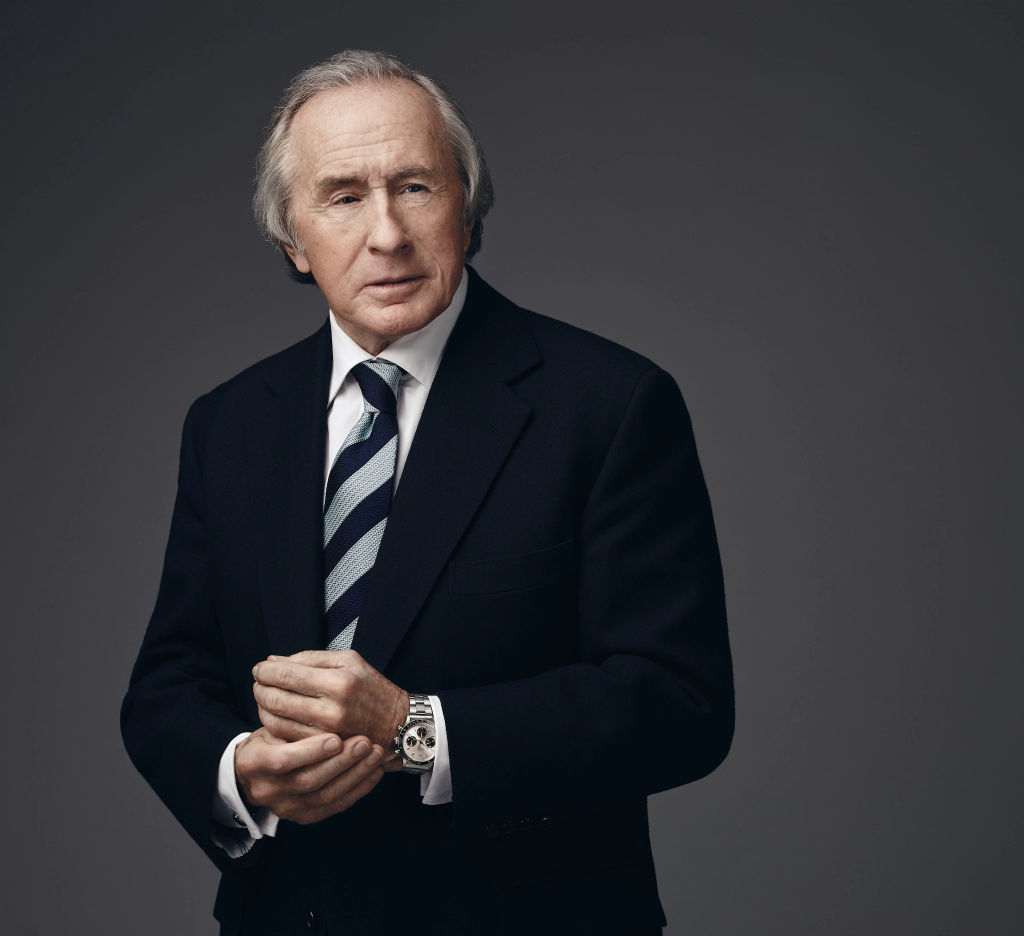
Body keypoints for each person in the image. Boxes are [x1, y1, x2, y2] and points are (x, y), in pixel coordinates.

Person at [121, 49, 734, 936]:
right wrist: (241, 771)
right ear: (293, 241)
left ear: (468, 211)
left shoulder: (610, 404)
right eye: (343, 197)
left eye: (414, 187)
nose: (387, 234)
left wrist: (416, 729)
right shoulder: (229, 423)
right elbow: (170, 680)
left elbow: (680, 705)